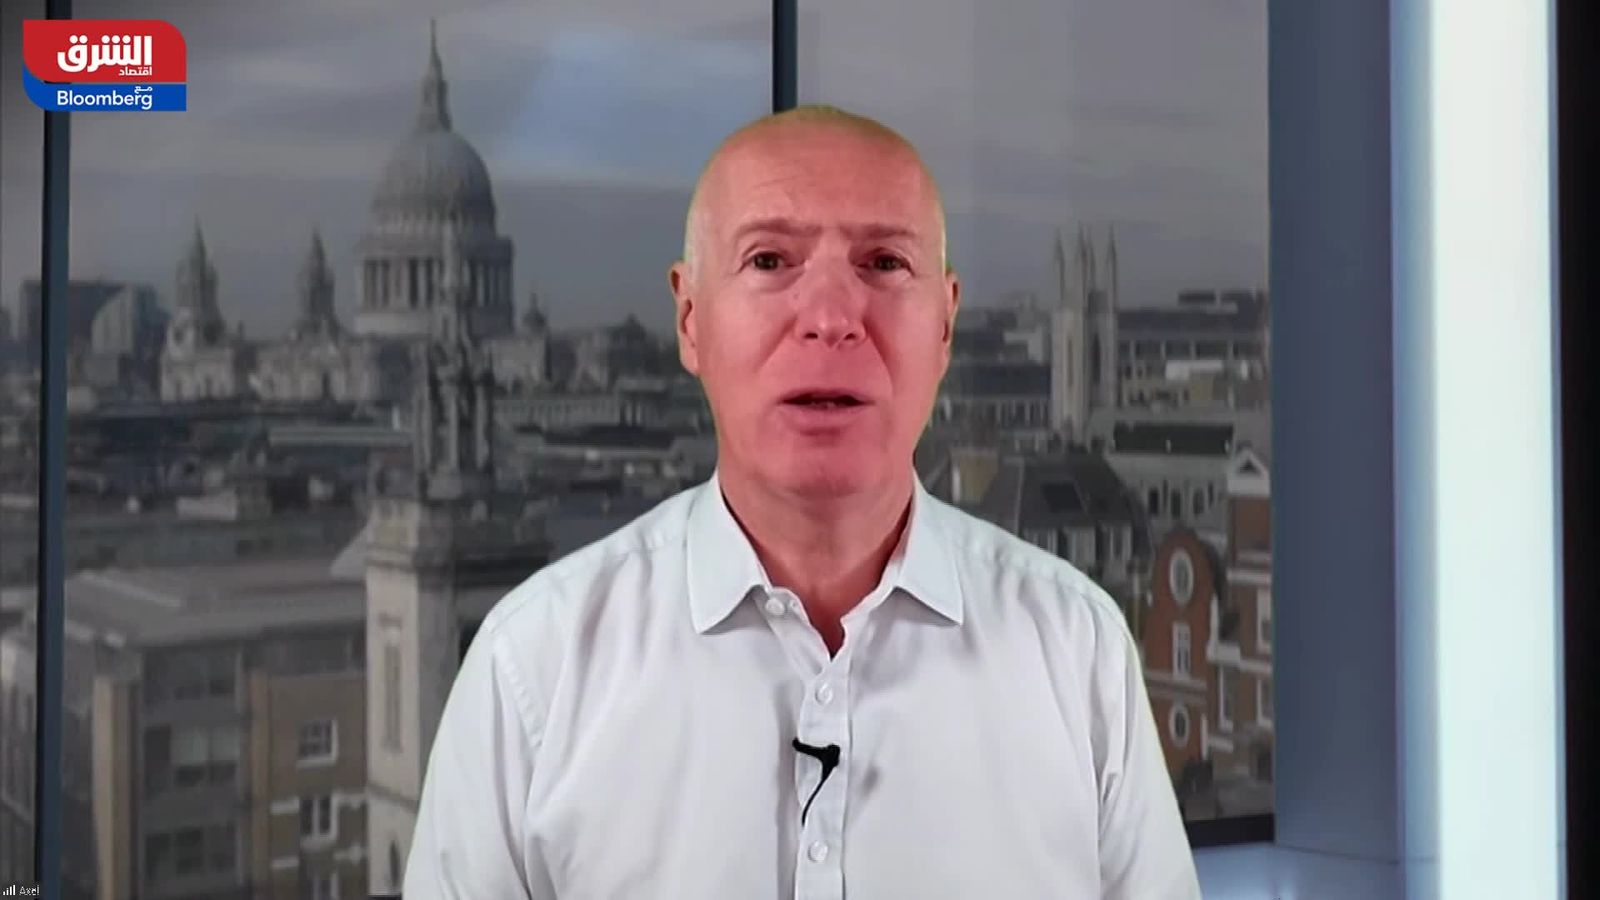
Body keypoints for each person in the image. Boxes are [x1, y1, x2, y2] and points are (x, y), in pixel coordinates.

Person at [403, 104, 1202, 899]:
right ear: (690, 318)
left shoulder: (1080, 652)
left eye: (884, 262)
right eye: (769, 260)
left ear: (946, 323)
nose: (829, 320)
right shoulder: (530, 669)